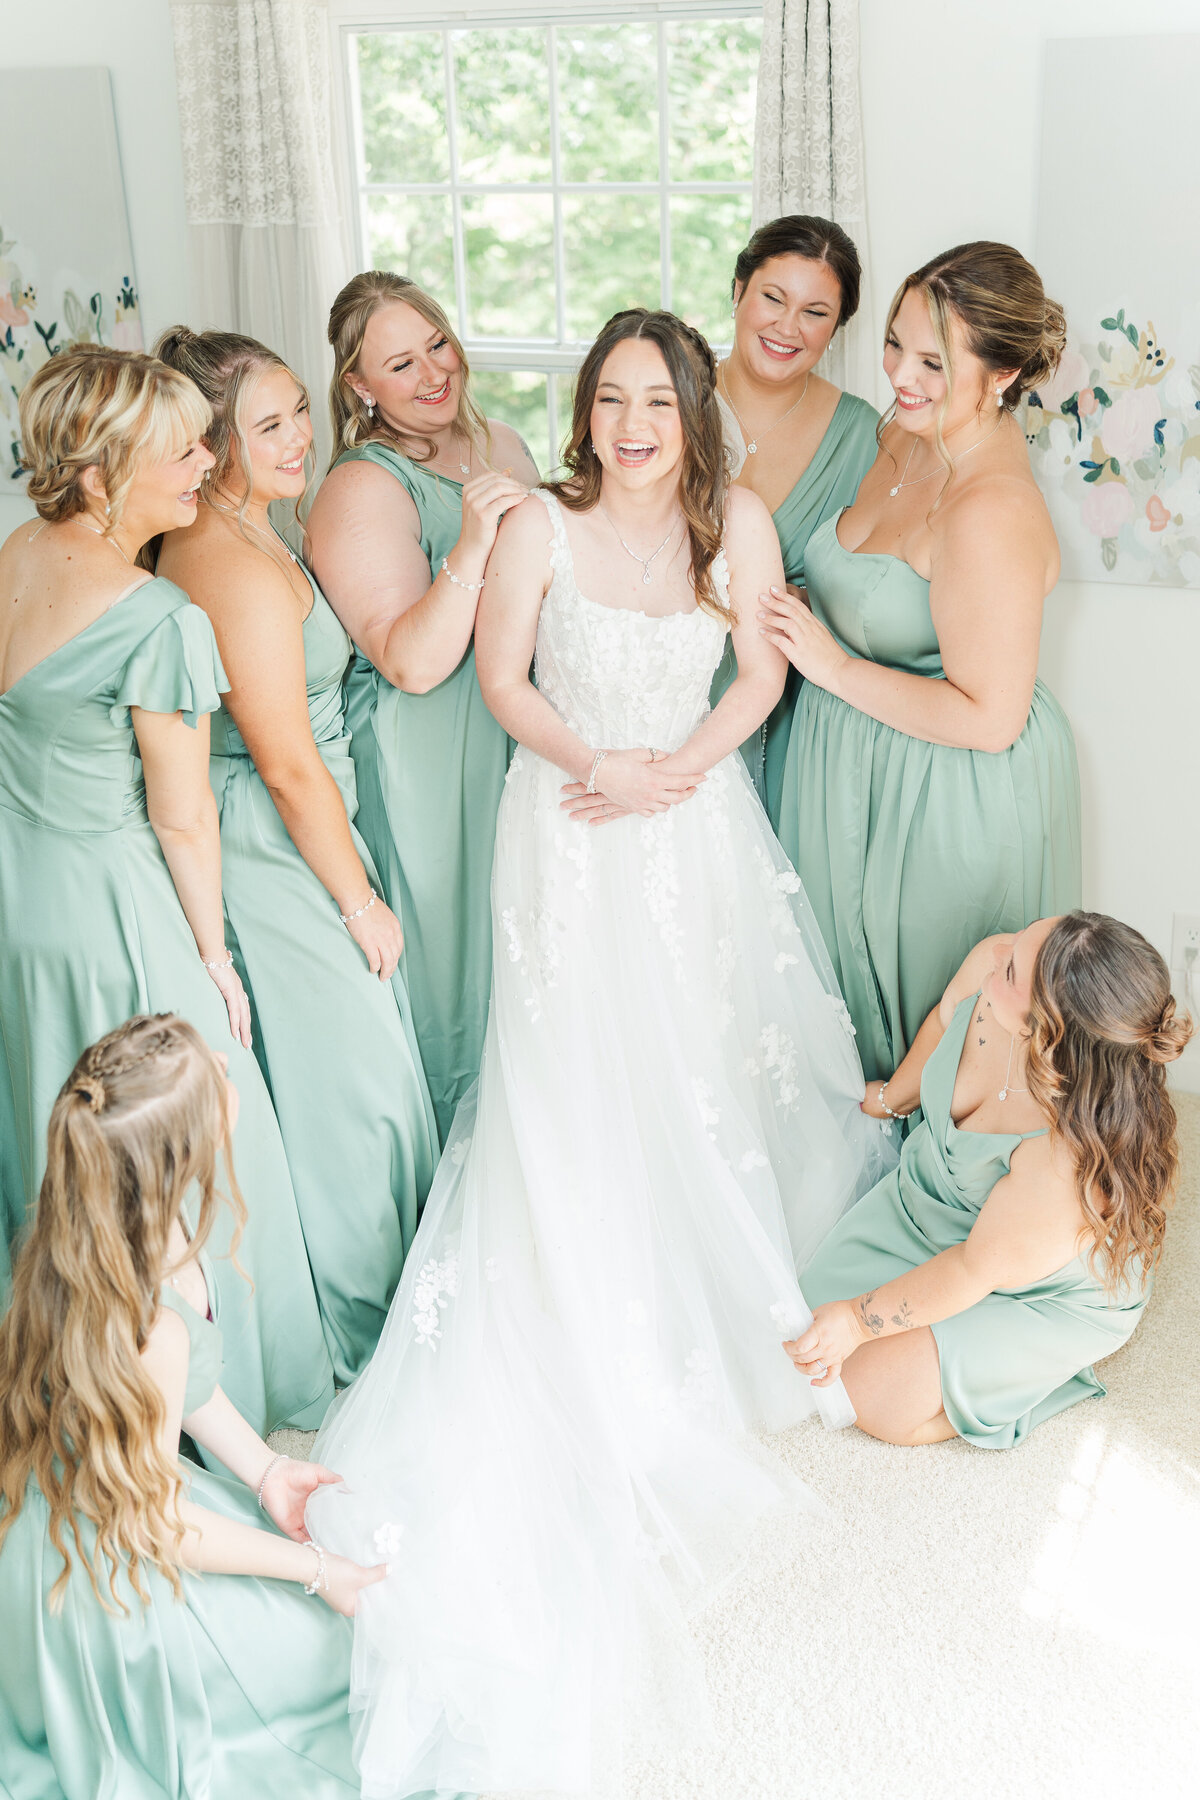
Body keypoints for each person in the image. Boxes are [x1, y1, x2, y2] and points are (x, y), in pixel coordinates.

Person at [306, 308, 897, 1798]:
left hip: (691, 823)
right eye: (611, 399)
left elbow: (759, 681)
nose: (634, 422)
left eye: (658, 399)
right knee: (572, 1081)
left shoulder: (739, 522)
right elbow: (499, 686)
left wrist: (681, 771)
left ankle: (709, 1256)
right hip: (568, 830)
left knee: (704, 1058)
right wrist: (604, 767)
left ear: (695, 412)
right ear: (586, 413)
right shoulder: (538, 528)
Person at [0, 346, 332, 1434]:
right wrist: (215, 956)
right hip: (111, 909)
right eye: (180, 447)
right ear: (99, 474)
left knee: (51, 1134)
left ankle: (70, 1383)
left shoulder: (17, 554)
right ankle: (210, 1400)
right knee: (187, 1140)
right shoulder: (157, 620)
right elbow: (184, 817)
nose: (206, 460)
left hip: (21, 902)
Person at [0, 1015, 385, 1798]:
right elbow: (161, 1526)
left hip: (74, 1512)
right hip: (111, 1577)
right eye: (213, 1073)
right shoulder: (151, 1330)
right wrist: (317, 1571)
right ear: (182, 1163)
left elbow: (180, 1395)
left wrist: (268, 1464)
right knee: (339, 1665)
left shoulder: (89, 1223)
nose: (224, 1062)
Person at [155, 328, 439, 1386]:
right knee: (352, 1087)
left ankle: (395, 1305)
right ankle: (366, 1338)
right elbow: (283, 764)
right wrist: (361, 902)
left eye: (299, 413)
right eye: (267, 425)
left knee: (351, 1075)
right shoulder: (227, 563)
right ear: (210, 442)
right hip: (275, 840)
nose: (300, 438)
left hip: (311, 823)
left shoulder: (263, 530)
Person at [759, 241, 1082, 1081]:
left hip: (937, 797)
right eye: (896, 344)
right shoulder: (899, 434)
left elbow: (991, 716)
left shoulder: (990, 508)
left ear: (1003, 375)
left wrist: (827, 667)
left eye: (934, 361)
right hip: (848, 761)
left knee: (928, 1037)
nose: (901, 372)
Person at [788, 913, 1191, 1448]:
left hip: (1033, 1283)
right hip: (935, 1206)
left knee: (873, 1392)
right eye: (1019, 945)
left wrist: (860, 1324)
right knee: (804, 1303)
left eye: (1011, 969)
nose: (997, 955)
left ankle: (1024, 1380)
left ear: (1043, 1031)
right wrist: (889, 1099)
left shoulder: (1062, 1162)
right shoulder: (998, 962)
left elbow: (973, 1267)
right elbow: (942, 1022)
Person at [306, 272, 539, 1141]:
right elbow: (408, 661)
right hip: (428, 757)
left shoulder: (503, 446)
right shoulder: (361, 488)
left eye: (437, 343)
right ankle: (453, 1173)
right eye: (400, 364)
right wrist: (476, 541)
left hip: (514, 732)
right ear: (361, 388)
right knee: (452, 969)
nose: (434, 372)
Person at [711, 214, 879, 822]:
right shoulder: (665, 394)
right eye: (772, 298)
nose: (787, 327)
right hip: (662, 692)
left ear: (837, 328)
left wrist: (813, 603)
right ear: (738, 291)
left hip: (796, 712)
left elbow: (875, 583)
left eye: (815, 312)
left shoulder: (865, 434)